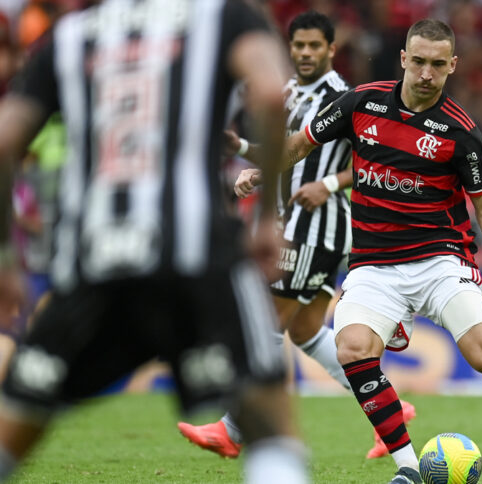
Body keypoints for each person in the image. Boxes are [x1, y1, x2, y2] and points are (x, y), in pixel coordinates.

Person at [239, 18, 482, 484]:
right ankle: (409, 470)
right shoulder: (361, 103)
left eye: (437, 65)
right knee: (352, 348)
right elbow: (300, 143)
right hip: (373, 264)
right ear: (403, 58)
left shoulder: (461, 133)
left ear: (452, 66)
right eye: (417, 61)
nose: (425, 73)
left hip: (441, 261)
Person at [0, 1, 307, 482]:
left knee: (15, 426)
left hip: (93, 260)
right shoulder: (224, 18)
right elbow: (270, 94)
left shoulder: (68, 36)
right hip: (200, 256)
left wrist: (3, 257)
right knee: (269, 428)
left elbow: (4, 140)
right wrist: (267, 216)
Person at [178, 10, 416, 461]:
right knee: (307, 331)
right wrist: (246, 153)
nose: (305, 53)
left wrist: (328, 183)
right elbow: (288, 154)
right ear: (290, 48)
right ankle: (392, 411)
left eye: (314, 46)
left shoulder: (346, 96)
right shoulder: (286, 91)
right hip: (293, 222)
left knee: (265, 319)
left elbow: (377, 159)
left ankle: (232, 430)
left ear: (331, 49)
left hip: (316, 227)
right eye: (298, 46)